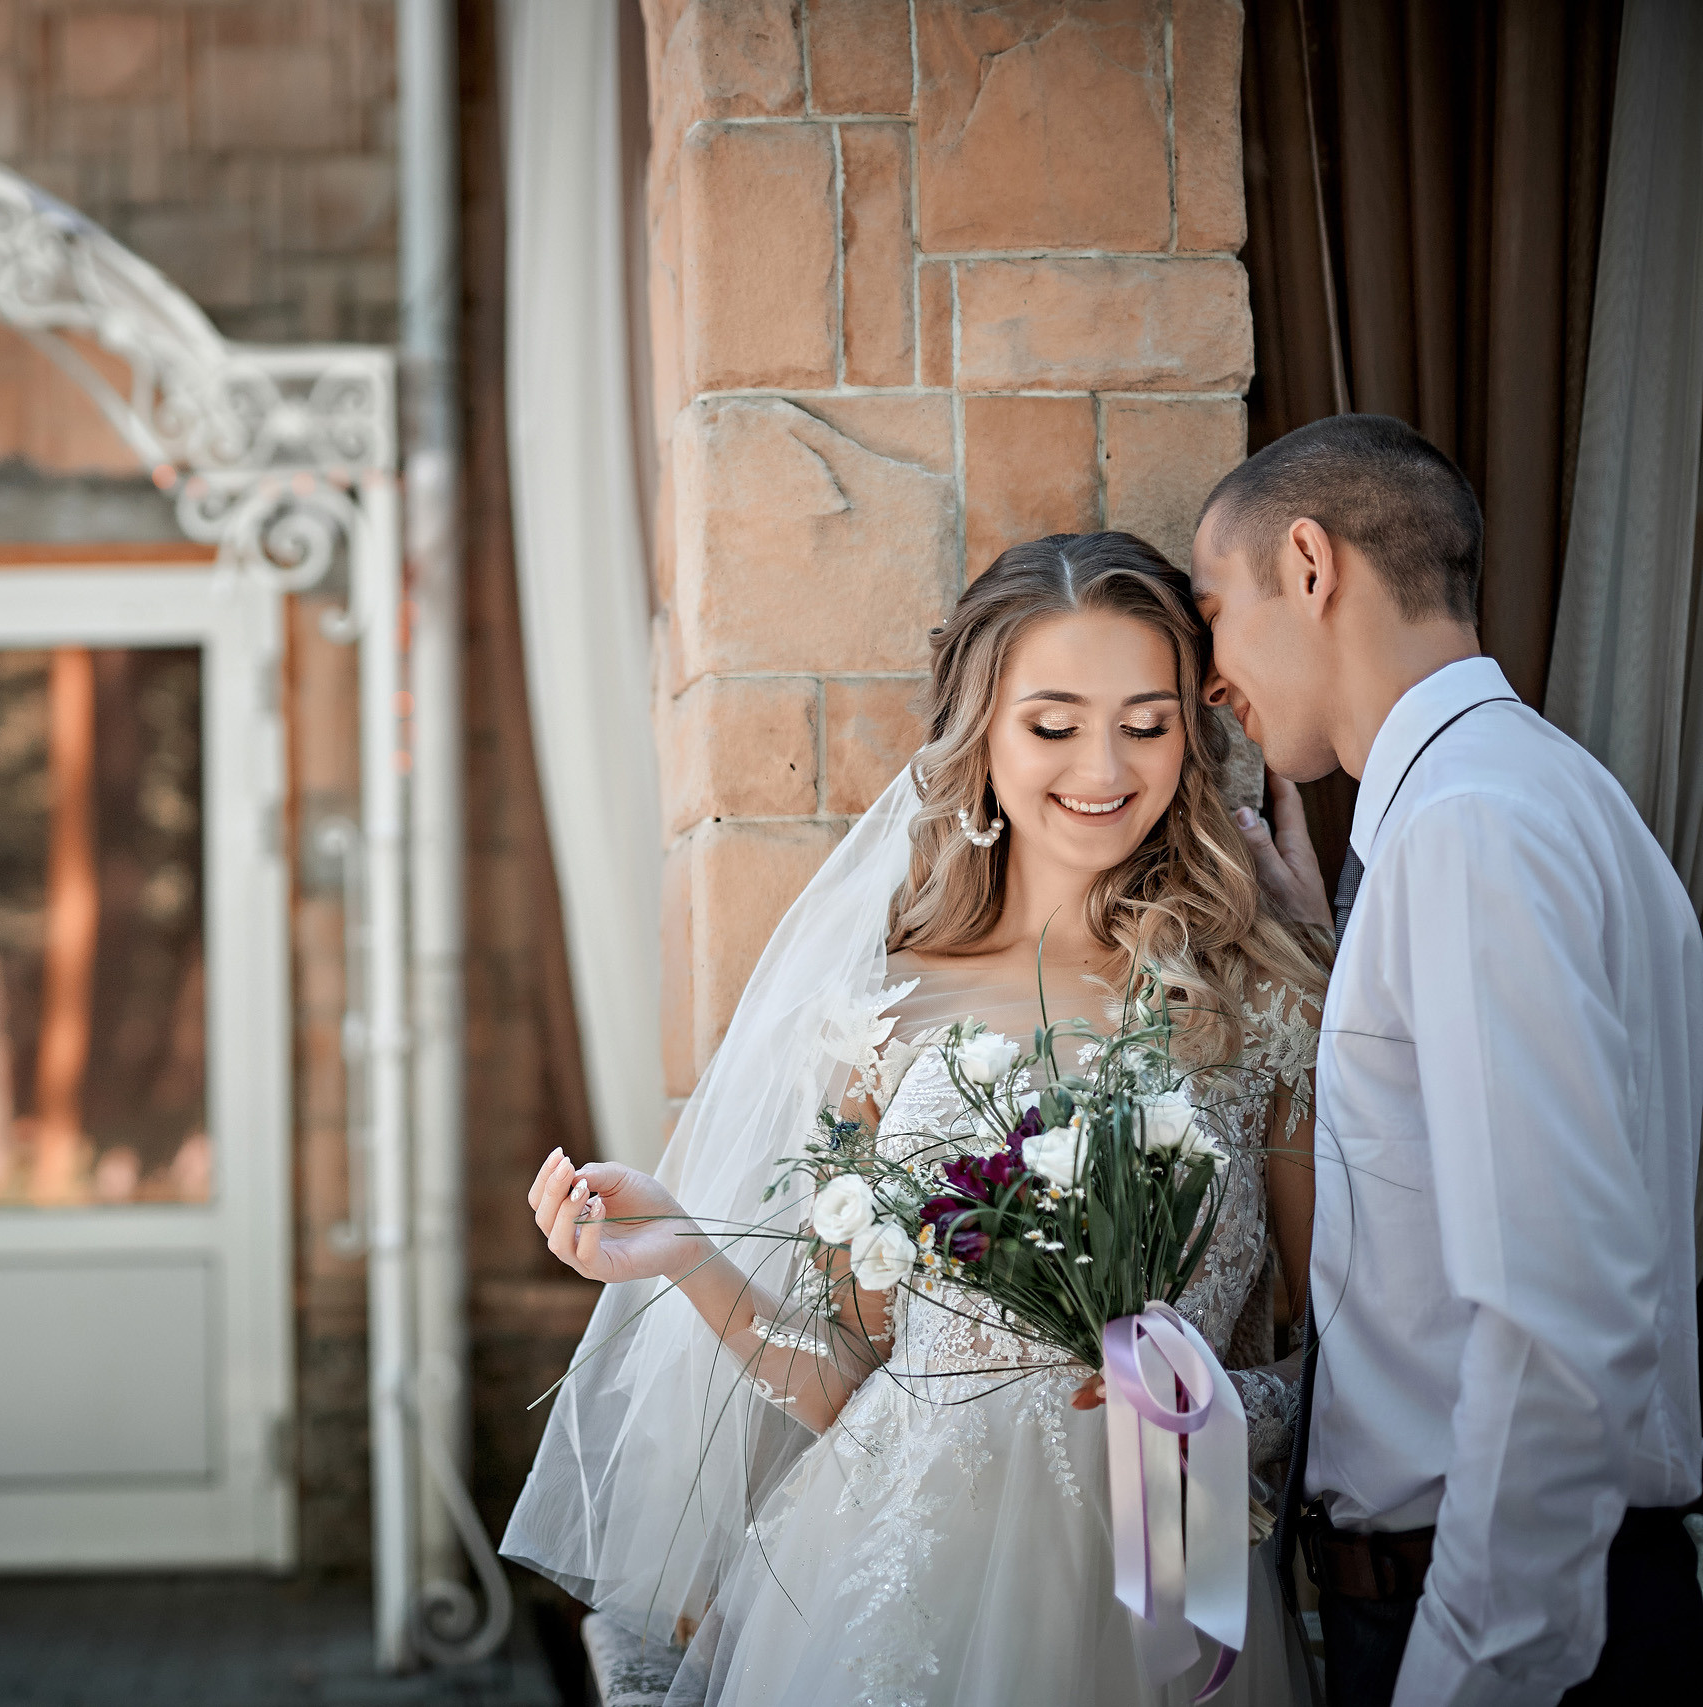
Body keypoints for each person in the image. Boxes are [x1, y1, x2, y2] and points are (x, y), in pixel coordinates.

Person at [503, 532, 1332, 1705]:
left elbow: (1347, 1351)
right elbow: (851, 1373)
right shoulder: (884, 1018)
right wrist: (683, 1254)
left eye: (1145, 724)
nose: (1102, 766)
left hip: (1170, 1578)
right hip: (896, 1591)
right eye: (1052, 725)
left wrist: (1203, 1404)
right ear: (978, 738)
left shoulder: (1258, 1000)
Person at [1187, 412, 1703, 1706]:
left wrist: (1467, 1674)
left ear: (1309, 565)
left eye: (1213, 612)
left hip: (1500, 1625)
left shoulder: (1469, 832)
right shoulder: (1540, 798)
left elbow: (1560, 1315)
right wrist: (1328, 946)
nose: (1210, 676)